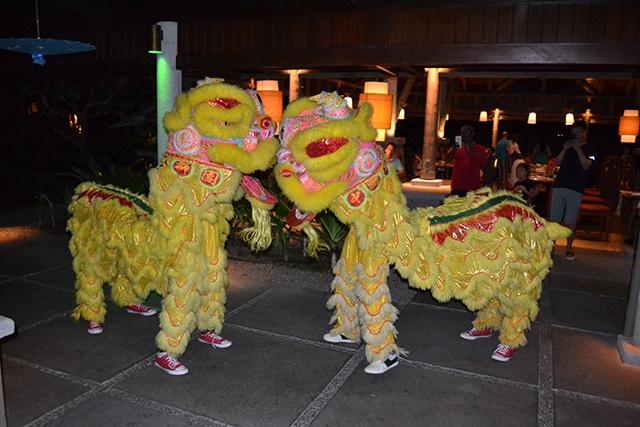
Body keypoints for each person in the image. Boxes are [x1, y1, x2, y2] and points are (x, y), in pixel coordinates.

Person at [550, 120, 594, 260]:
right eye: (574, 132)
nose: (576, 135)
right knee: (554, 219)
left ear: (584, 133)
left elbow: (586, 165)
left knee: (571, 220)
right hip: (560, 184)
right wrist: (564, 149)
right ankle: (551, 245)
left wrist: (578, 149)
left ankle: (569, 247)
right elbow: (556, 162)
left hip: (576, 188)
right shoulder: (567, 147)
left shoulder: (589, 149)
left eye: (579, 132)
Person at [450, 125, 488, 197]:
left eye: (467, 132)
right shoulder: (457, 149)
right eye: (462, 133)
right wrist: (454, 149)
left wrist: (486, 183)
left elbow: (485, 167)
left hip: (472, 186)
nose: (464, 135)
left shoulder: (480, 149)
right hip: (458, 186)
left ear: (472, 134)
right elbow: (447, 160)